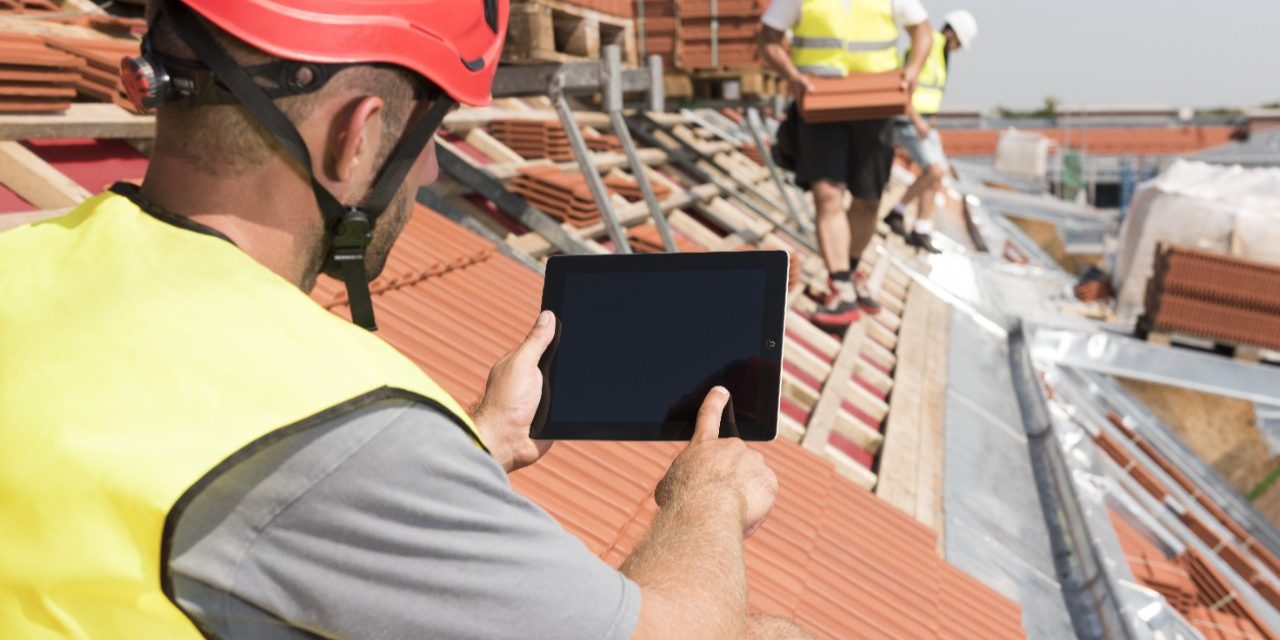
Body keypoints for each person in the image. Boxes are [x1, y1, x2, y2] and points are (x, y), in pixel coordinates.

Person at [0, 1, 813, 638]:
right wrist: (707, 496)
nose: (427, 169)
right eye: (430, 131)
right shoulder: (341, 425)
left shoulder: (22, 258)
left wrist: (483, 440)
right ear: (355, 136)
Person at [760, 0, 933, 329]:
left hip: (876, 103)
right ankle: (840, 287)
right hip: (820, 105)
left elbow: (922, 31)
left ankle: (851, 273)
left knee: (869, 200)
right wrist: (792, 77)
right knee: (827, 195)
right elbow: (768, 38)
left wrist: (912, 72)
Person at [884, 10, 978, 254]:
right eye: (960, 43)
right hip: (908, 120)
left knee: (937, 174)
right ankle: (897, 212)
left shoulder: (941, 52)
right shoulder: (928, 44)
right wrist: (916, 120)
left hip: (924, 122)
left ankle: (921, 229)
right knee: (934, 170)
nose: (958, 49)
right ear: (953, 34)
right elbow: (904, 84)